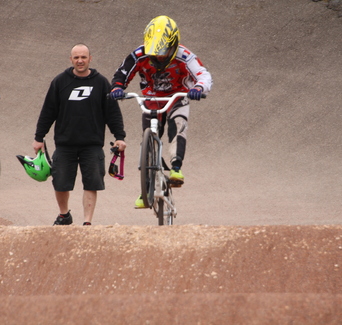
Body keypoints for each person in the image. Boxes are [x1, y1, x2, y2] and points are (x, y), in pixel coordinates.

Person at [110, 15, 212, 208]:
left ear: (174, 45)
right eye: (154, 52)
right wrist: (116, 88)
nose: (159, 56)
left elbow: (203, 74)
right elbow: (122, 73)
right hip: (152, 98)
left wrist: (198, 88)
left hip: (177, 97)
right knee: (148, 138)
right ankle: (145, 188)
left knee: (178, 125)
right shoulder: (139, 55)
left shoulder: (185, 56)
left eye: (164, 51)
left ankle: (175, 168)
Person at [33, 43, 126, 226]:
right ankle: (64, 215)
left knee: (92, 183)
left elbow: (112, 113)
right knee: (60, 183)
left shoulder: (101, 83)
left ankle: (87, 223)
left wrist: (119, 136)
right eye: (76, 57)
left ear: (90, 58)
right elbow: (48, 111)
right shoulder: (60, 82)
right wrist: (39, 137)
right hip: (65, 143)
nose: (80, 60)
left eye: (83, 57)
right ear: (71, 60)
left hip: (92, 144)